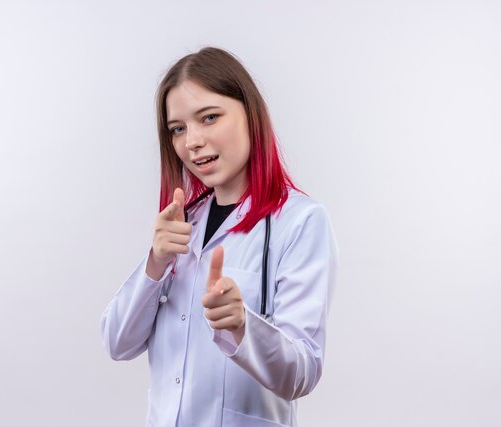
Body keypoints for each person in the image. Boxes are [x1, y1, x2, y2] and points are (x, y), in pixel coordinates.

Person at [101, 47, 338, 427]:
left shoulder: (300, 222)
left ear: (250, 114)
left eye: (208, 118)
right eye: (178, 128)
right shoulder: (182, 225)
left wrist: (242, 326)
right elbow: (117, 342)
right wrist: (155, 263)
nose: (191, 141)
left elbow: (302, 373)